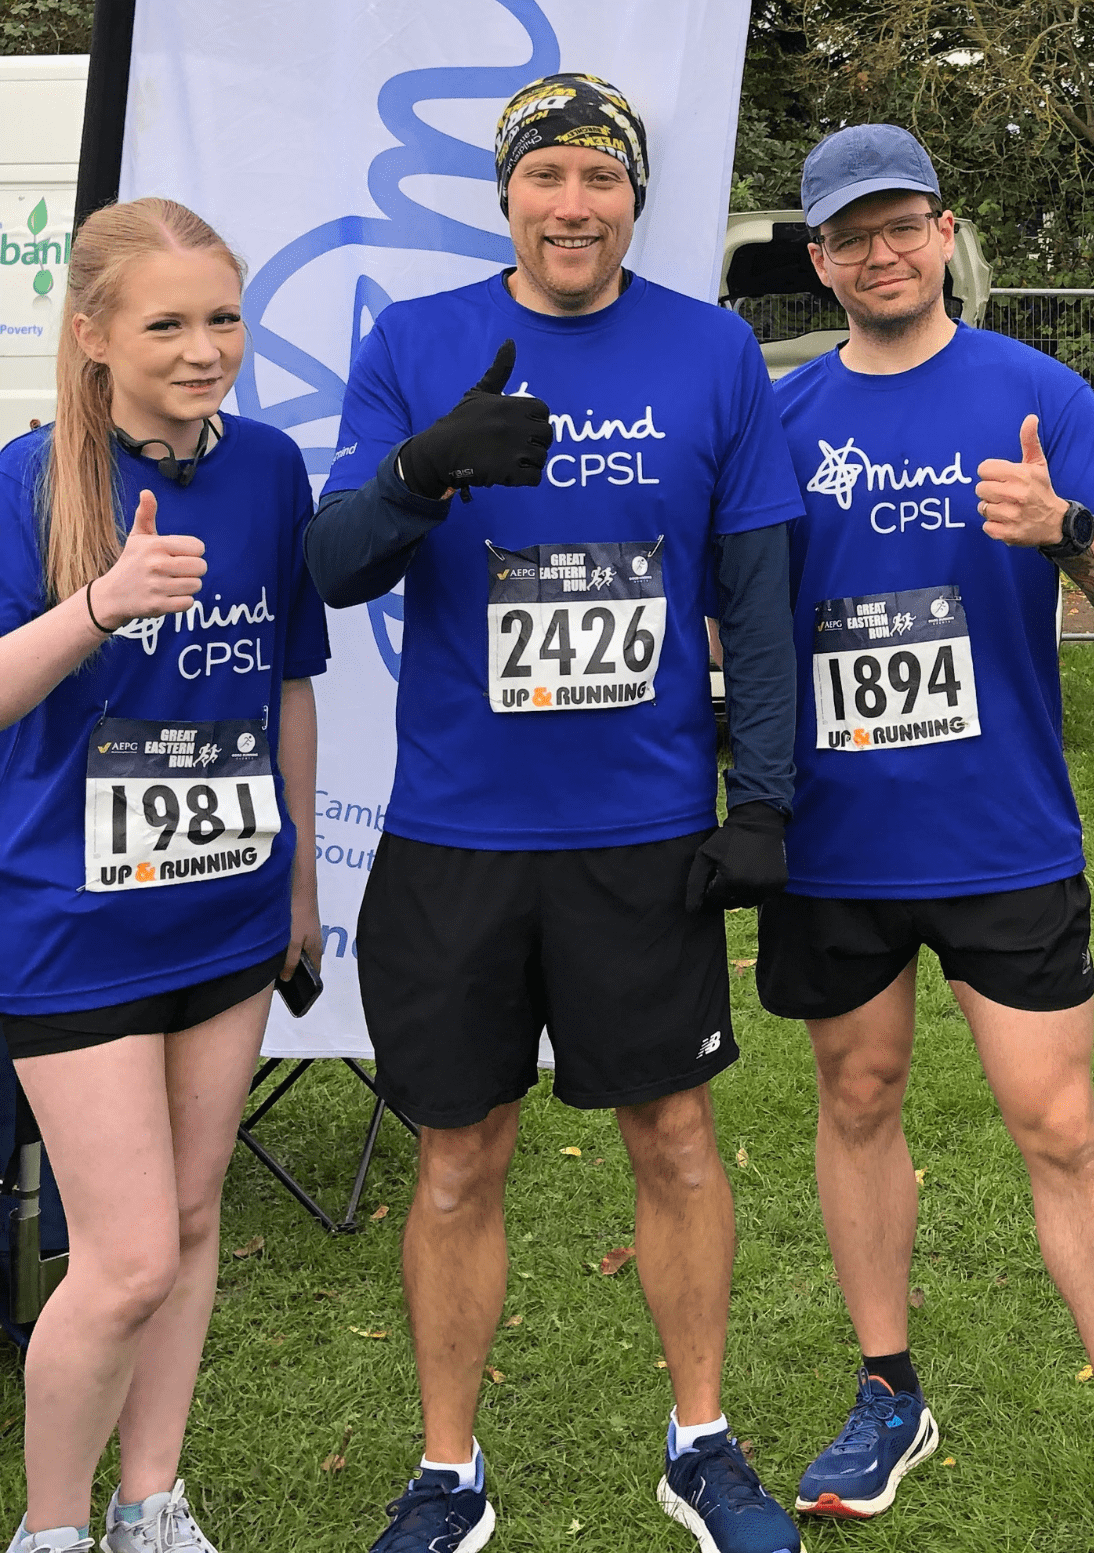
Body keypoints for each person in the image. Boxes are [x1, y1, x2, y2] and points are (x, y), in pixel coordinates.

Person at [304, 75, 806, 1553]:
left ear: (635, 198)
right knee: (456, 1156)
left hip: (642, 831)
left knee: (675, 1136)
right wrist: (419, 471)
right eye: (549, 176)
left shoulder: (711, 350)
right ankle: (448, 1475)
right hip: (461, 831)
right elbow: (328, 566)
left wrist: (761, 795)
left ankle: (701, 1441)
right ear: (507, 193)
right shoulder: (417, 341)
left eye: (601, 177)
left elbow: (761, 601)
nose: (574, 203)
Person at [760, 124, 1094, 1553]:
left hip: (1001, 829)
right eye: (853, 235)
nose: (882, 252)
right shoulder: (782, 419)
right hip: (836, 842)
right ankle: (888, 1387)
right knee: (856, 1101)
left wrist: (1067, 527)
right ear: (822, 259)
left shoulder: (1037, 393)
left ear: (944, 231)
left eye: (905, 225)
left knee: (1060, 1123)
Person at [0, 198, 328, 1553]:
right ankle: (53, 1528)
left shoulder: (267, 469)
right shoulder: (27, 479)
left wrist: (299, 885)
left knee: (190, 1223)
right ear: (92, 336)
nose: (205, 350)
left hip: (229, 906)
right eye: (168, 324)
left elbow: (288, 683)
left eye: (224, 319)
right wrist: (101, 605)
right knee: (123, 1254)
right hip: (74, 924)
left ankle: (153, 1499)